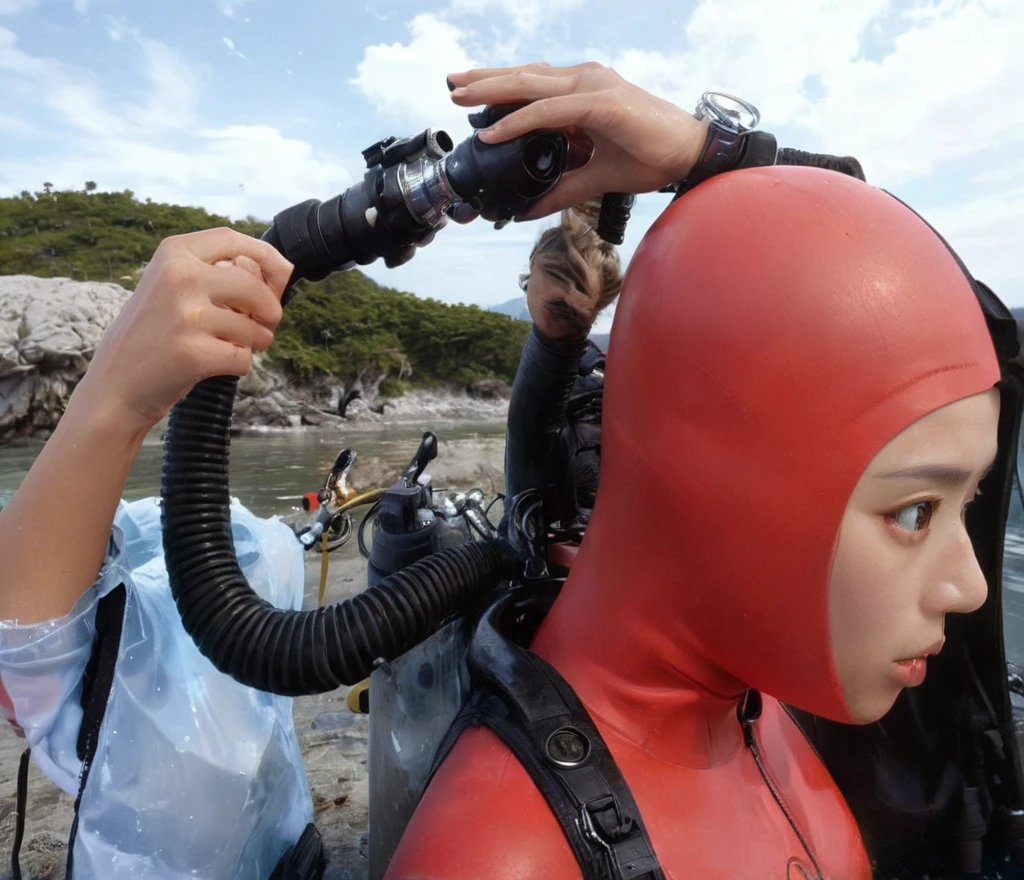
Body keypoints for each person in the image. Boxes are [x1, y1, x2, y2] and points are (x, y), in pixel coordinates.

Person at [383, 63, 1008, 879]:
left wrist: (714, 155)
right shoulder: (502, 856)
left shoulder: (766, 694)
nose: (972, 587)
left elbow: (960, 327)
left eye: (967, 502)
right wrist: (554, 340)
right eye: (915, 513)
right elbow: (532, 465)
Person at [0, 232, 322, 878]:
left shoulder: (194, 533)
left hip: (280, 844)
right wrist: (114, 397)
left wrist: (117, 402)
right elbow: (26, 645)